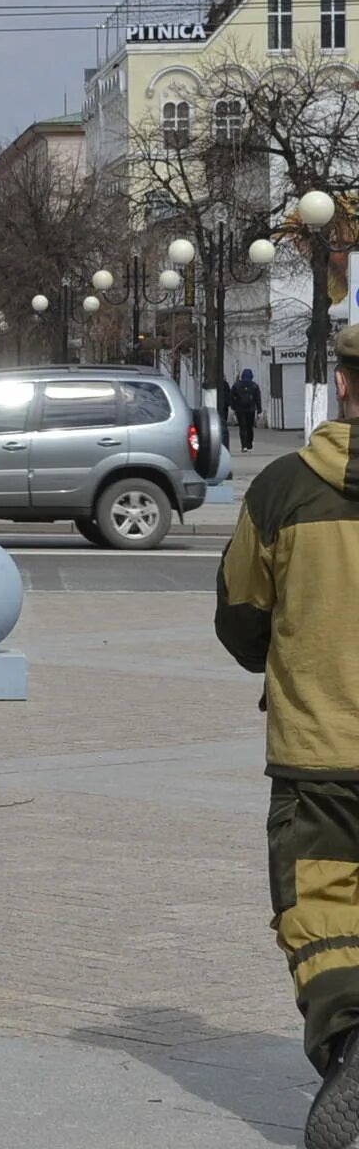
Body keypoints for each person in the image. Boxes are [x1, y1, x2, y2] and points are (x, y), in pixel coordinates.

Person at [216, 327, 359, 1146]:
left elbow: (240, 620)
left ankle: (349, 1039)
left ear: (341, 386)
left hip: (317, 755)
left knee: (318, 908)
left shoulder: (281, 489)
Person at [231, 368, 264, 453]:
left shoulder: (236, 385)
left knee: (242, 427)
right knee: (249, 427)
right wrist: (259, 411)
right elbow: (258, 399)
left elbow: (231, 397)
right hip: (251, 409)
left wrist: (233, 407)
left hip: (240, 409)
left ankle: (244, 446)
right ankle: (249, 444)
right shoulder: (254, 386)